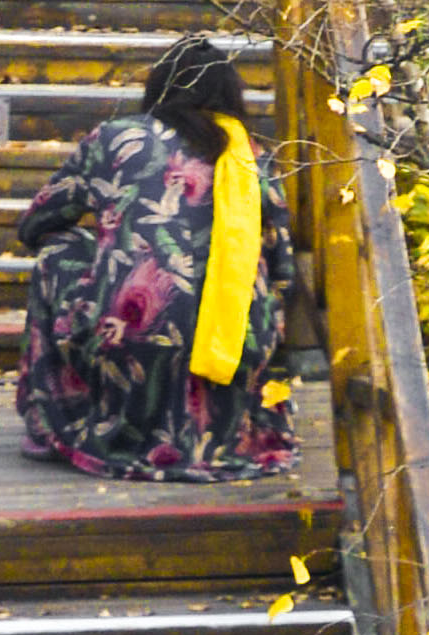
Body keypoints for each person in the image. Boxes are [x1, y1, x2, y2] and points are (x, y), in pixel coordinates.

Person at [15, 41, 291, 485]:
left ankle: (50, 423)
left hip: (127, 337)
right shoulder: (253, 156)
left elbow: (37, 222)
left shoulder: (115, 139)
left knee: (57, 255)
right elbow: (283, 264)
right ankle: (218, 432)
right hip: (239, 343)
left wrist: (107, 238)